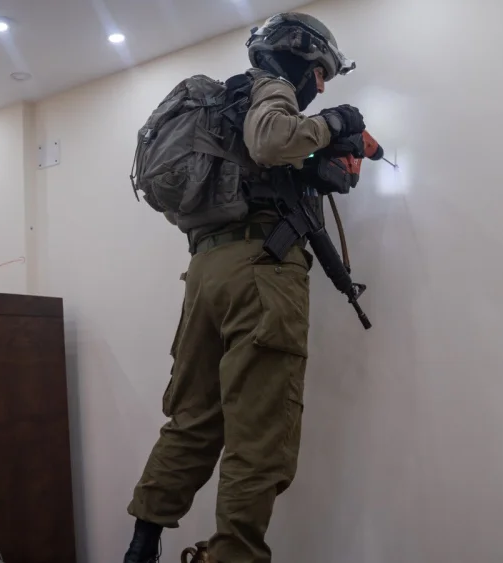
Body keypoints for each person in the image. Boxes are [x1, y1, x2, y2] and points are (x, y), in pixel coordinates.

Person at [123, 12, 366, 563]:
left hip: (207, 274)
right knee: (259, 437)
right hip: (262, 272)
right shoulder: (271, 88)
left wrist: (326, 160)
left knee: (193, 419)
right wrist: (334, 123)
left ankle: (142, 543)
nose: (320, 87)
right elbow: (272, 141)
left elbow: (271, 160)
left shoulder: (225, 108)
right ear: (299, 55)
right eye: (321, 73)